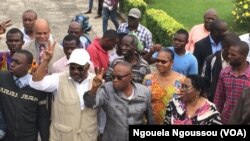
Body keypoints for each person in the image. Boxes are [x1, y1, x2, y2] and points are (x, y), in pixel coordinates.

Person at [29, 45, 98, 141]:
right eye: (72, 68)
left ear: (88, 67)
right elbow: (35, 83)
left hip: (87, 137)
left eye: (80, 68)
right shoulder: (58, 79)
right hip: (61, 137)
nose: (75, 71)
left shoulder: (97, 83)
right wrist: (46, 61)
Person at [84, 61, 154, 141]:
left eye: (119, 78)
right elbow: (90, 104)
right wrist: (94, 88)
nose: (115, 80)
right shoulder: (107, 89)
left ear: (130, 77)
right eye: (113, 77)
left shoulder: (144, 92)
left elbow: (150, 120)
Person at [0, 50, 50, 141]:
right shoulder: (2, 78)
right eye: (12, 60)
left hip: (29, 138)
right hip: (6, 137)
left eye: (17, 62)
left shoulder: (38, 87)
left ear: (28, 67)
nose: (12, 64)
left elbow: (42, 117)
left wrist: (44, 138)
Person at [143, 48, 184, 124]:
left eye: (163, 62)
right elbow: (144, 101)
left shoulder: (181, 80)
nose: (159, 64)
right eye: (157, 61)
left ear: (172, 63)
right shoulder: (148, 79)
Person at [214, 41, 250, 124]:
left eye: (233, 55)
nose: (229, 56)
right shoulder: (224, 73)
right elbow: (218, 99)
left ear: (244, 56)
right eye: (229, 54)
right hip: (226, 120)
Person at [201, 33, 241, 102]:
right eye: (231, 48)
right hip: (213, 100)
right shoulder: (211, 60)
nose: (234, 50)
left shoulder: (240, 61)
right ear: (223, 45)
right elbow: (203, 81)